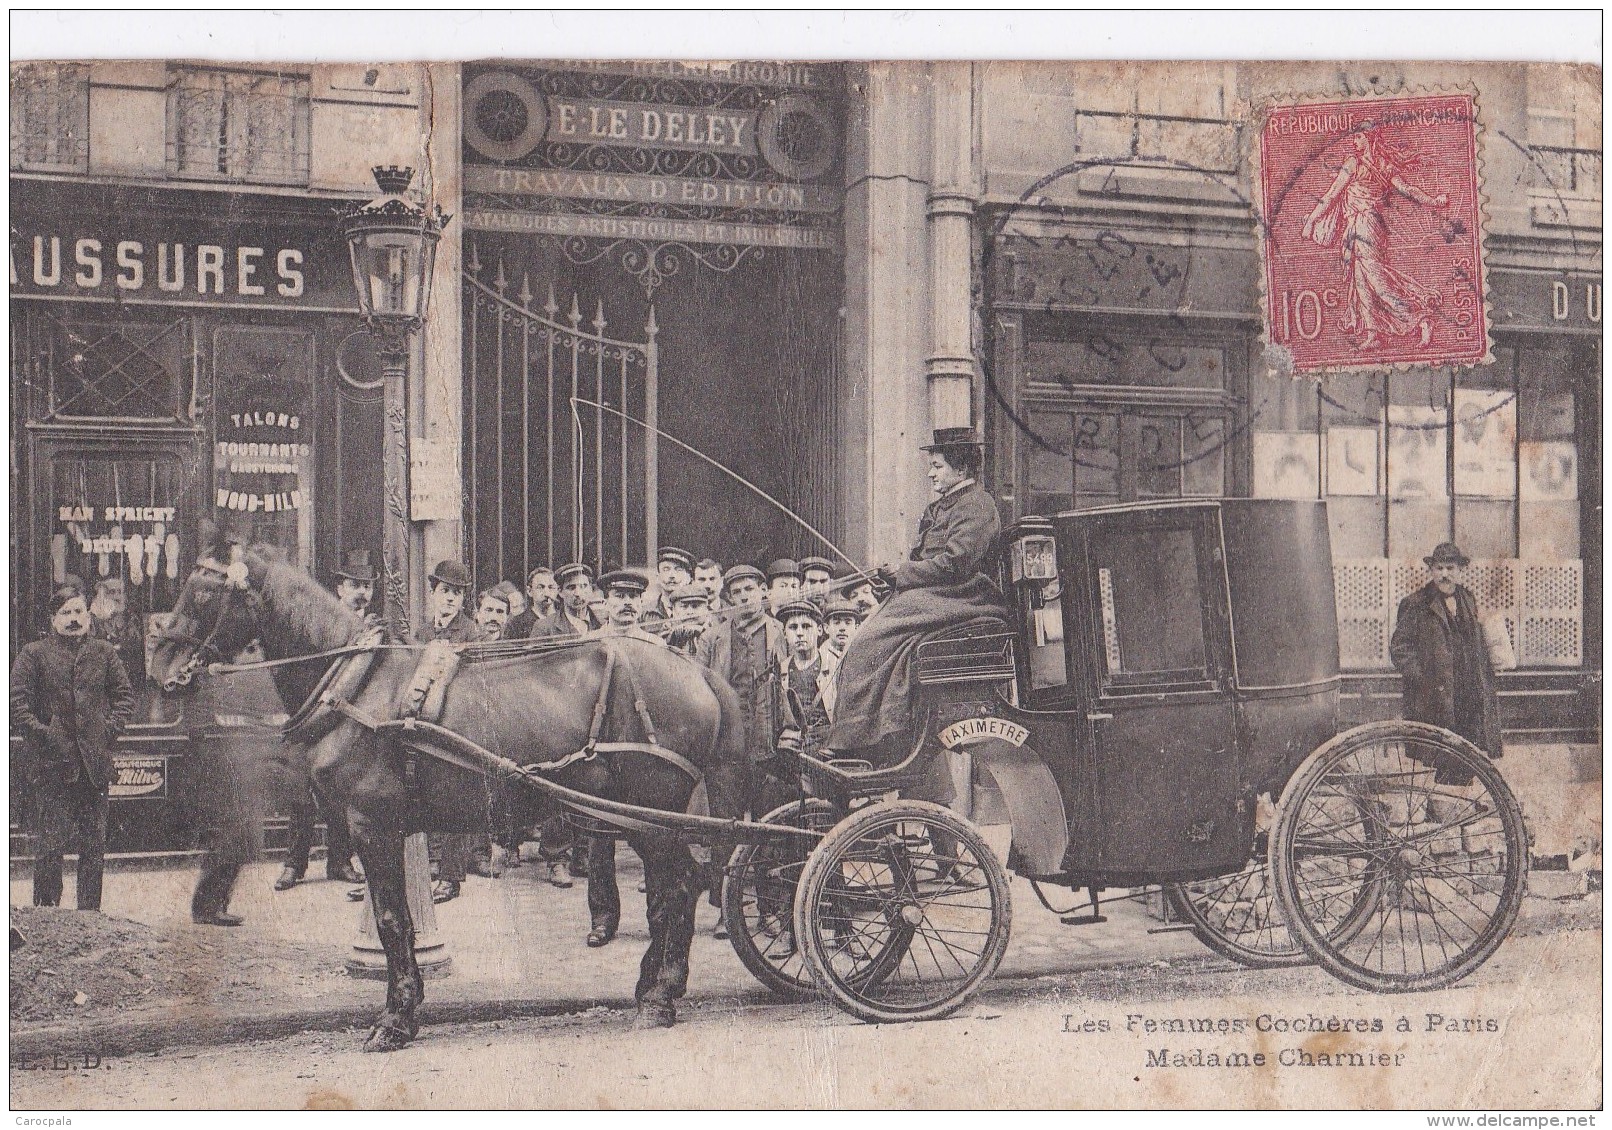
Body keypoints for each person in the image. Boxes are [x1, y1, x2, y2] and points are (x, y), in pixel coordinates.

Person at [825, 427, 1006, 770]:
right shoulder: (939, 507)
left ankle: (860, 738)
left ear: (962, 470)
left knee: (873, 638)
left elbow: (957, 562)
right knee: (873, 633)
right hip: (936, 593)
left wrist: (904, 574)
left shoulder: (978, 505)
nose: (930, 473)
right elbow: (923, 559)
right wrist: (892, 582)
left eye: (937, 466)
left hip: (966, 596)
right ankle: (861, 734)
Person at [12, 579, 136, 912]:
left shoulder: (103, 652)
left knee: (93, 846)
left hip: (93, 767)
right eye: (65, 612)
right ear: (53, 619)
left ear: (88, 615)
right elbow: (15, 706)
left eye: (79, 611)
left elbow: (124, 697)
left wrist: (106, 732)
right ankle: (46, 917)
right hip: (52, 767)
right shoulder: (34, 654)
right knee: (51, 846)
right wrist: (45, 736)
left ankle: (90, 918)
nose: (73, 618)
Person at [1302, 125, 1450, 351]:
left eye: (1359, 137)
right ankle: (1373, 333)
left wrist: (1312, 220)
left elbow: (1331, 195)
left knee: (1376, 278)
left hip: (1365, 224)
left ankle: (1420, 319)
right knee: (1361, 280)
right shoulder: (1384, 166)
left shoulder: (1355, 163)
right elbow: (1408, 189)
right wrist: (1434, 200)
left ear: (1370, 138)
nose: (1354, 141)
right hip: (1362, 225)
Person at [277, 551, 372, 892]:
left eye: (366, 586)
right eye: (354, 585)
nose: (361, 592)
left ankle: (340, 861)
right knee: (302, 793)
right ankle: (293, 864)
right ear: (339, 588)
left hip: (353, 720)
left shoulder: (373, 627)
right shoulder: (322, 621)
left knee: (340, 794)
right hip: (314, 717)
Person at [580, 567, 663, 948]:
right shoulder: (588, 646)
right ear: (605, 603)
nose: (627, 603)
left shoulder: (654, 647)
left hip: (642, 755)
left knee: (653, 835)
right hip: (599, 753)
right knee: (599, 838)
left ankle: (658, 917)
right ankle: (602, 918)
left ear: (643, 602)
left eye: (633, 596)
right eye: (619, 596)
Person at [1390, 542, 1503, 783]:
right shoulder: (1416, 603)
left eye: (1450, 568)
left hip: (1467, 691)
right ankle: (1439, 811)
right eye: (1439, 568)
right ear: (1431, 570)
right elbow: (1400, 648)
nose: (1444, 574)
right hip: (1434, 696)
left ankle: (1458, 807)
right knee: (1438, 756)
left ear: (1461, 570)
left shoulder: (1468, 600)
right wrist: (1422, 680)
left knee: (1467, 754)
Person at [419, 561, 488, 903]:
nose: (450, 599)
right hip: (424, 722)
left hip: (458, 722)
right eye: (445, 591)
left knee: (458, 796)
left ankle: (451, 876)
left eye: (457, 594)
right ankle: (429, 864)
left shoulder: (471, 633)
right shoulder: (421, 631)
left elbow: (476, 681)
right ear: (433, 593)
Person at [818, 597, 864, 721]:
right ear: (826, 628)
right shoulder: (818, 658)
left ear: (857, 627)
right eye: (836, 622)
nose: (842, 628)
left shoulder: (863, 656)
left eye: (848, 622)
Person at [531, 562, 601, 638]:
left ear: (591, 589)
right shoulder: (544, 627)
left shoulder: (603, 623)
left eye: (583, 586)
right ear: (560, 591)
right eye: (571, 587)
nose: (578, 593)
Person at [664, 583, 713, 657]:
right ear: (673, 610)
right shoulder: (664, 635)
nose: (690, 612)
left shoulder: (718, 632)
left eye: (695, 606)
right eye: (684, 606)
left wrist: (703, 632)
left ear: (706, 608)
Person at [648, 546, 695, 623]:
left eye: (678, 569)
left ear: (689, 577)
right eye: (666, 569)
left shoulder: (697, 612)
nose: (672, 575)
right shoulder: (645, 613)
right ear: (657, 576)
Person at [507, 566, 557, 639]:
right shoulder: (516, 624)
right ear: (529, 591)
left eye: (551, 587)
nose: (546, 593)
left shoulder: (564, 619)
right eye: (540, 587)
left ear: (558, 590)